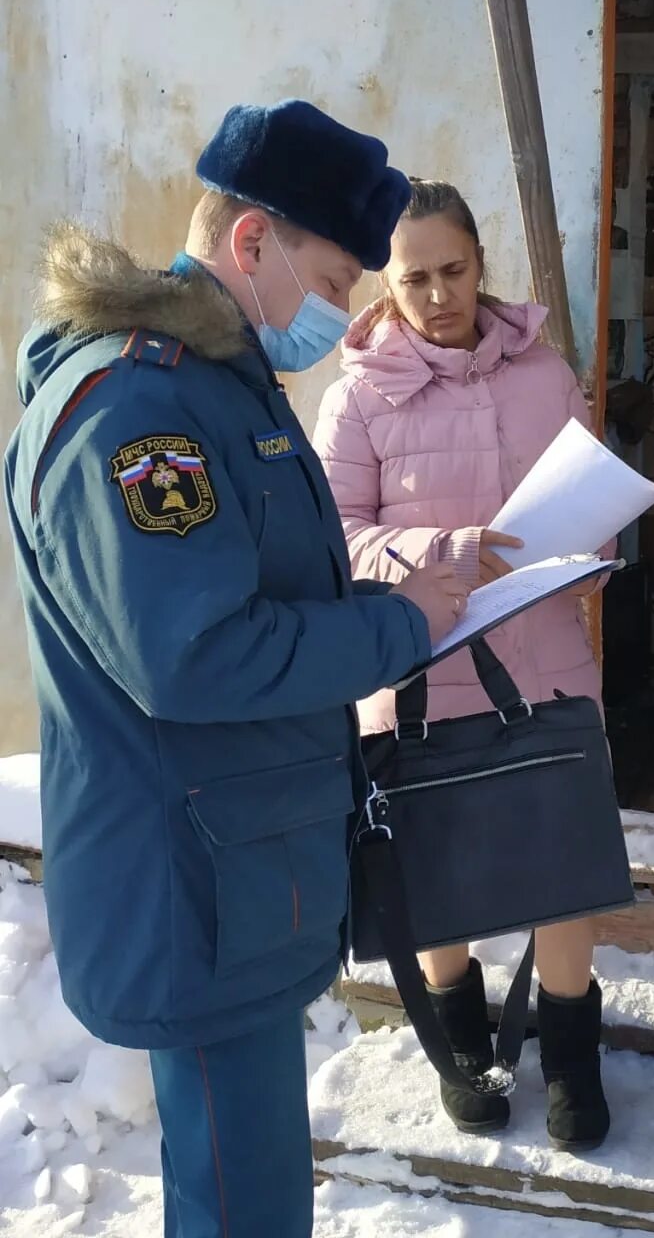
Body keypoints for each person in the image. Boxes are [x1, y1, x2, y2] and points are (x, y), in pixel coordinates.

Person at [3, 100, 470, 1238]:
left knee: (240, 1174)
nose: (345, 312)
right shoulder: (142, 408)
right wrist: (400, 629)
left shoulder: (212, 384)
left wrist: (398, 596)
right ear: (251, 243)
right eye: (335, 278)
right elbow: (199, 655)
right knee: (241, 1194)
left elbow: (256, 595)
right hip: (198, 884)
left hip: (235, 864)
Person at [313, 179, 612, 1151]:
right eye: (414, 278)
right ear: (385, 283)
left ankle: (570, 1055)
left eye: (454, 271)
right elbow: (334, 543)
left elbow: (584, 493)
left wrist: (591, 541)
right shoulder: (356, 395)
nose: (437, 294)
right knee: (438, 870)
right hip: (415, 673)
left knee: (563, 865)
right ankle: (463, 1041)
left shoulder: (543, 371)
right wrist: (443, 552)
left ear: (482, 267)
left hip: (547, 654)